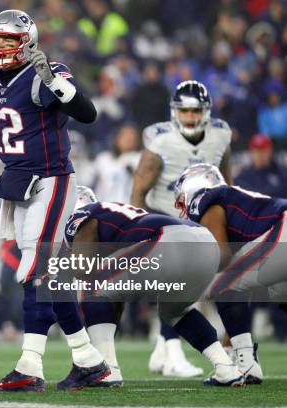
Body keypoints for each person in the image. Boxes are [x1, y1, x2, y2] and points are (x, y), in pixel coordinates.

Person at [0, 9, 108, 392]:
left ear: (26, 42)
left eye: (8, 40)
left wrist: (54, 82)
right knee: (51, 275)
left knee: (36, 271)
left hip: (52, 179)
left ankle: (30, 365)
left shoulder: (46, 71)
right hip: (20, 182)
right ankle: (89, 361)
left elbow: (88, 113)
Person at [130, 80, 254, 378]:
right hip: (167, 218)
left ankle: (163, 350)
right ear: (174, 112)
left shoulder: (220, 135)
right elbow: (138, 192)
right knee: (178, 285)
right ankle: (173, 353)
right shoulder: (160, 140)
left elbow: (226, 182)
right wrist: (146, 225)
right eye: (183, 111)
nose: (189, 117)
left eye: (195, 111)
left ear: (206, 112)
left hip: (202, 223)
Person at [64, 186, 244, 387]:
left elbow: (84, 270)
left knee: (91, 287)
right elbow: (114, 293)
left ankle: (106, 371)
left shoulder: (82, 215)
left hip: (165, 241)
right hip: (204, 242)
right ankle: (226, 368)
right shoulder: (114, 213)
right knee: (175, 311)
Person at [174, 163, 287, 383]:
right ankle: (246, 363)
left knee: (219, 284)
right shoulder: (231, 199)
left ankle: (246, 365)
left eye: (181, 200)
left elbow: (221, 255)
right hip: (280, 232)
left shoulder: (206, 200)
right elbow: (241, 286)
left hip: (283, 232)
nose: (182, 208)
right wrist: (231, 341)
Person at [234, 133, 287, 198]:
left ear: (270, 150)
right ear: (251, 152)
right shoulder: (243, 177)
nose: (259, 155)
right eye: (256, 151)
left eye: (263, 150)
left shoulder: (282, 173)